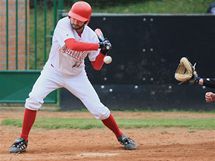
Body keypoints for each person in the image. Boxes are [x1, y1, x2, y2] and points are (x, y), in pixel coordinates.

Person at [9, 1, 137, 153]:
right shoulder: (63, 24)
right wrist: (98, 46)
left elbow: (96, 65)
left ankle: (120, 136)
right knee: (33, 99)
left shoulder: (91, 36)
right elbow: (72, 45)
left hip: (77, 76)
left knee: (99, 110)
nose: (74, 21)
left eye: (79, 19)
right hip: (53, 72)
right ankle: (22, 139)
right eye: (73, 17)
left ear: (86, 21)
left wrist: (103, 52)